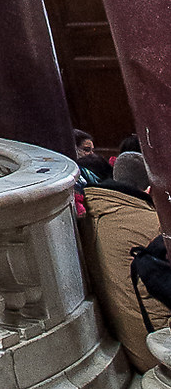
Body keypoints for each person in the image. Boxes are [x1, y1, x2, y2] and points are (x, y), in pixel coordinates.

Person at [77, 150, 170, 375]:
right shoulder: (154, 225)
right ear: (150, 189)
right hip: (157, 352)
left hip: (132, 344)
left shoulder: (91, 213)